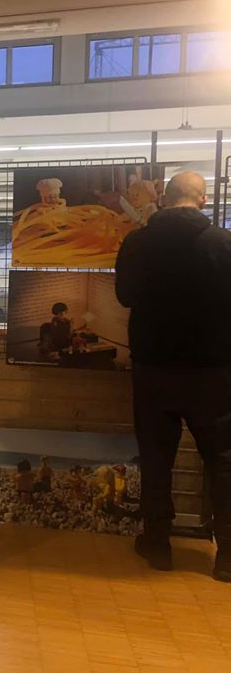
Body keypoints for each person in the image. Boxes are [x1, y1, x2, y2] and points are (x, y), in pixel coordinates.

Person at [115, 171, 231, 582]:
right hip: (214, 371)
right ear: (204, 199)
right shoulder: (223, 243)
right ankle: (227, 556)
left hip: (154, 368)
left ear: (164, 198)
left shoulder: (137, 242)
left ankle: (158, 544)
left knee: (156, 458)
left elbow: (125, 296)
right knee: (223, 461)